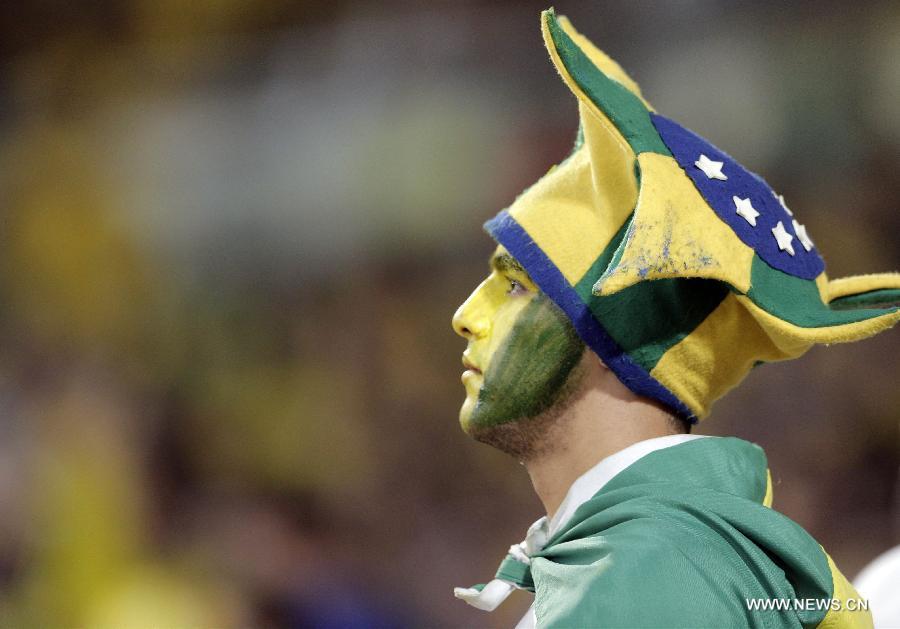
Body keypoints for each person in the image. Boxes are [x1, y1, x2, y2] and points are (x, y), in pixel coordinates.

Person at [451, 9, 900, 628]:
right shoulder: (680, 555)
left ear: (610, 338)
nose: (464, 315)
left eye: (519, 286)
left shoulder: (640, 580)